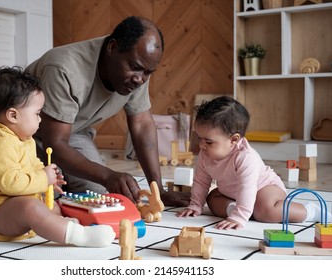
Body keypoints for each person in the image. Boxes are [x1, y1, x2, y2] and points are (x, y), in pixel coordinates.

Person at [25, 16, 190, 207]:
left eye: (147, 72)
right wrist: (108, 175)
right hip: (27, 137)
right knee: (36, 199)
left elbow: (142, 125)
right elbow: (54, 143)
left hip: (72, 132)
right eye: (135, 68)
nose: (140, 79)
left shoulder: (138, 69)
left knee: (99, 194)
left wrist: (158, 190)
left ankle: (62, 182)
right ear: (112, 48)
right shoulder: (64, 68)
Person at [0, 66, 115, 247]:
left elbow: (33, 167)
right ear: (13, 115)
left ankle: (66, 226)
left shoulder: (24, 139)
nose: (40, 119)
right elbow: (11, 184)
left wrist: (49, 178)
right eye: (37, 114)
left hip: (20, 207)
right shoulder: (0, 144)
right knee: (31, 208)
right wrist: (43, 177)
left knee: (54, 206)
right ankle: (79, 236)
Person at [176, 96, 331, 229]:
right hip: (233, 193)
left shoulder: (245, 157)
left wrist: (240, 217)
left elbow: (247, 186)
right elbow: (201, 181)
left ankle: (310, 211)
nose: (202, 145)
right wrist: (195, 205)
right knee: (211, 198)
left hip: (264, 188)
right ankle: (239, 209)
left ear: (234, 140)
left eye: (208, 142)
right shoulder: (205, 154)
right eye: (199, 138)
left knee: (265, 212)